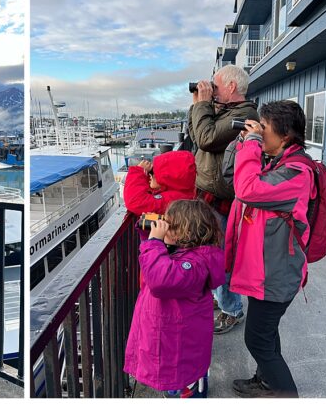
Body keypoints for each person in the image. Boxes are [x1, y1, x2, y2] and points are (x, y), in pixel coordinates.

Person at [222, 101, 312, 398]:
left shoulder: (296, 172)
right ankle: (266, 381)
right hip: (269, 270)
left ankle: (285, 392)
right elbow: (232, 179)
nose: (258, 130)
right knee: (267, 333)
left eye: (264, 126)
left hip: (277, 275)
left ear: (285, 135)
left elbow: (247, 189)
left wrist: (251, 145)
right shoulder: (279, 162)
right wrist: (246, 145)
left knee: (257, 339)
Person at [123, 200, 226, 398]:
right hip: (178, 340)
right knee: (183, 377)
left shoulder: (194, 265)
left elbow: (160, 279)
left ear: (185, 232)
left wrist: (154, 242)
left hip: (179, 346)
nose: (164, 226)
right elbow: (155, 266)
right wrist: (147, 234)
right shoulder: (186, 254)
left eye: (169, 223)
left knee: (182, 383)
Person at [188, 64, 257, 334]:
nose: (211, 90)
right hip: (209, 196)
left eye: (215, 86)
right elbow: (196, 135)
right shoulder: (224, 110)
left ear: (231, 87)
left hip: (223, 200)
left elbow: (206, 139)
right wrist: (198, 105)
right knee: (210, 255)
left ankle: (233, 309)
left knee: (222, 258)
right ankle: (222, 299)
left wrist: (204, 105)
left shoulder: (244, 113)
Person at [123, 150, 197, 217]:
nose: (150, 176)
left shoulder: (173, 199)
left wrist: (138, 171)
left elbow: (135, 202)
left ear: (168, 178)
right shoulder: (181, 191)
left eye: (152, 173)